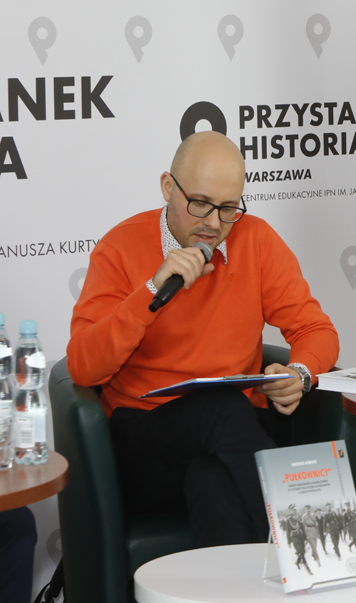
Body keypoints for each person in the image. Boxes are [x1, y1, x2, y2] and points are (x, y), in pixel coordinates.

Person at [67, 131, 339, 548]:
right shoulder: (119, 247)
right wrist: (151, 291)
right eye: (200, 203)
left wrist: (300, 373)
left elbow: (316, 330)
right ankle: (318, 547)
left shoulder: (256, 240)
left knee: (212, 480)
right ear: (167, 187)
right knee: (221, 406)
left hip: (228, 440)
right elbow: (83, 368)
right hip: (145, 439)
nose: (213, 223)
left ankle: (256, 575)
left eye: (228, 208)